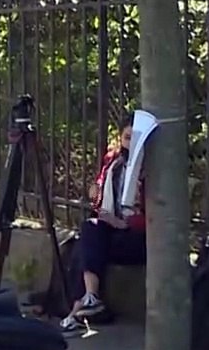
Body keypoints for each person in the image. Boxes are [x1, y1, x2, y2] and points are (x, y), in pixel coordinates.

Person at [60, 114, 146, 335]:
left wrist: (126, 223)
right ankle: (90, 299)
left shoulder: (149, 169)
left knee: (83, 248)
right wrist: (96, 192)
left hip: (138, 236)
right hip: (112, 229)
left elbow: (155, 215)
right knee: (88, 230)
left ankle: (77, 312)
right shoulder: (112, 161)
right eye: (127, 138)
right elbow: (100, 197)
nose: (130, 144)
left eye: (135, 139)